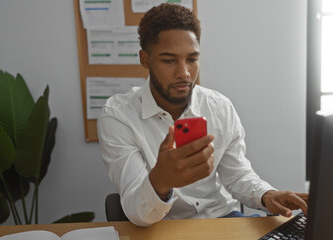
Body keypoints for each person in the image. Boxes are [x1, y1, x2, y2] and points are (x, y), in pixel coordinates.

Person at [97, 3, 308, 227]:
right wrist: (161, 180)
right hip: (162, 229)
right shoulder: (118, 116)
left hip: (222, 221)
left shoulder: (219, 107)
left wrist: (267, 195)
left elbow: (237, 176)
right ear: (145, 59)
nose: (184, 73)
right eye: (169, 60)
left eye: (192, 59)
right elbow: (136, 211)